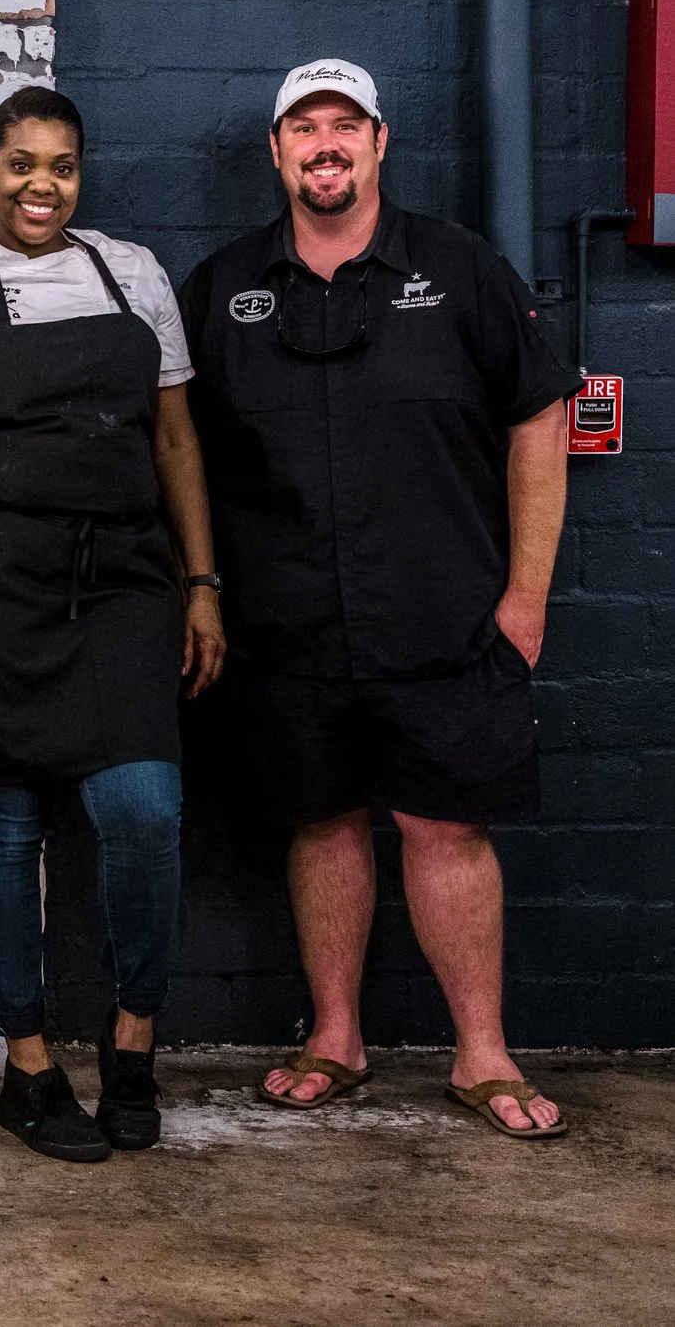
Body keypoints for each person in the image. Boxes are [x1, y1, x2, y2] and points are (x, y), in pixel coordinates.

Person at [181, 60, 578, 1139]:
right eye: (302, 127)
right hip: (285, 625)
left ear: (378, 142)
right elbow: (178, 449)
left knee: (443, 827)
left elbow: (540, 415)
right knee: (320, 823)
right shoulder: (222, 287)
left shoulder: (457, 269)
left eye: (342, 125)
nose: (323, 143)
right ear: (275, 152)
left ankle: (482, 1053)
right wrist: (204, 593)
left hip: (444, 615)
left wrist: (525, 594)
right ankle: (335, 1034)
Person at [0, 85, 228, 1164]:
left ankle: (132, 1040)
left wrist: (199, 580)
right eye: (21, 164)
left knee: (144, 811)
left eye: (60, 166)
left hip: (118, 581)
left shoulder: (134, 273)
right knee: (7, 831)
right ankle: (26, 1067)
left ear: (80, 171)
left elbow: (173, 439)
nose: (40, 186)